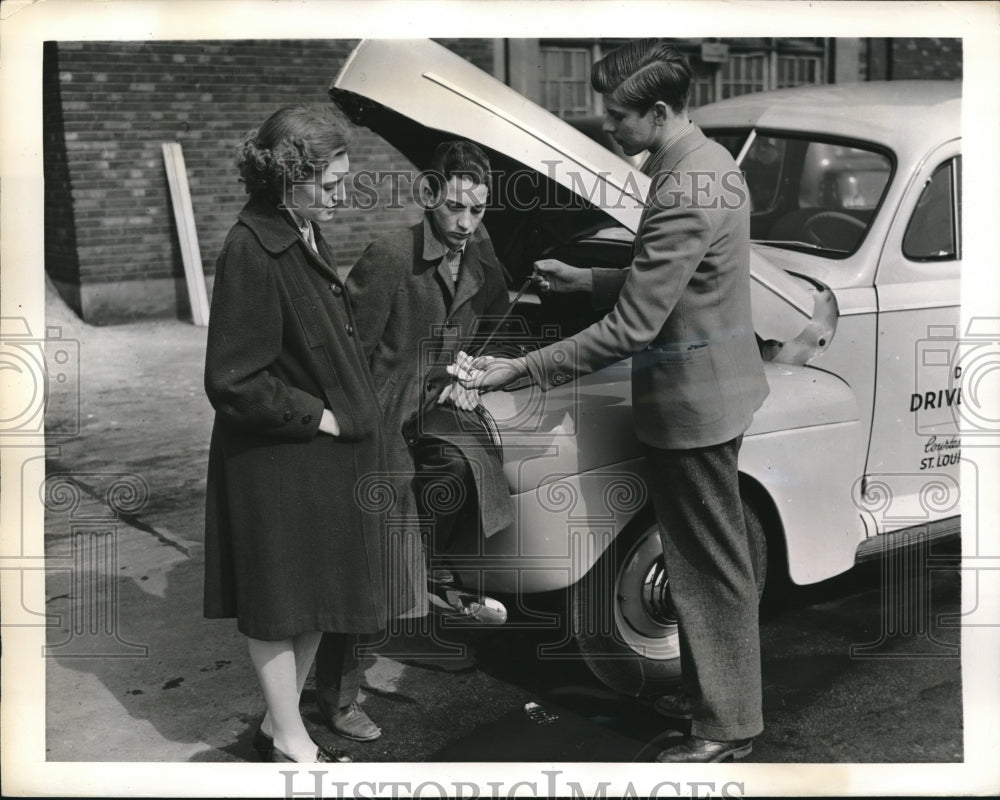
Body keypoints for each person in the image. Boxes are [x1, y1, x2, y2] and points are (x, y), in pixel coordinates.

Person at [450, 40, 769, 763]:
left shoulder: (682, 187)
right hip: (719, 385)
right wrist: (585, 282)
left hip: (692, 402)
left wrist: (520, 370)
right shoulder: (707, 161)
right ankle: (716, 698)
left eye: (618, 115)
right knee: (708, 560)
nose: (607, 127)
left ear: (658, 111)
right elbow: (681, 277)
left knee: (707, 566)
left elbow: (635, 326)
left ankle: (725, 727)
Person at [203, 105, 410, 763]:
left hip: (318, 463)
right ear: (291, 175)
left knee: (318, 598)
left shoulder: (302, 230)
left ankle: (276, 723)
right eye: (331, 180)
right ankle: (291, 738)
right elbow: (234, 380)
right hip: (277, 462)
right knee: (279, 605)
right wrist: (318, 416)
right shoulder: (252, 248)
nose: (343, 192)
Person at [311, 141, 512, 732]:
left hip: (435, 407)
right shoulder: (392, 255)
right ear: (429, 197)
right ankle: (338, 694)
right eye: (454, 208)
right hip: (380, 415)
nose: (465, 224)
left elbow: (498, 322)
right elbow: (345, 356)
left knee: (465, 465)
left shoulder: (479, 252)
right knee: (374, 547)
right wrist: (348, 433)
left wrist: (470, 370)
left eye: (477, 211)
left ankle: (428, 588)